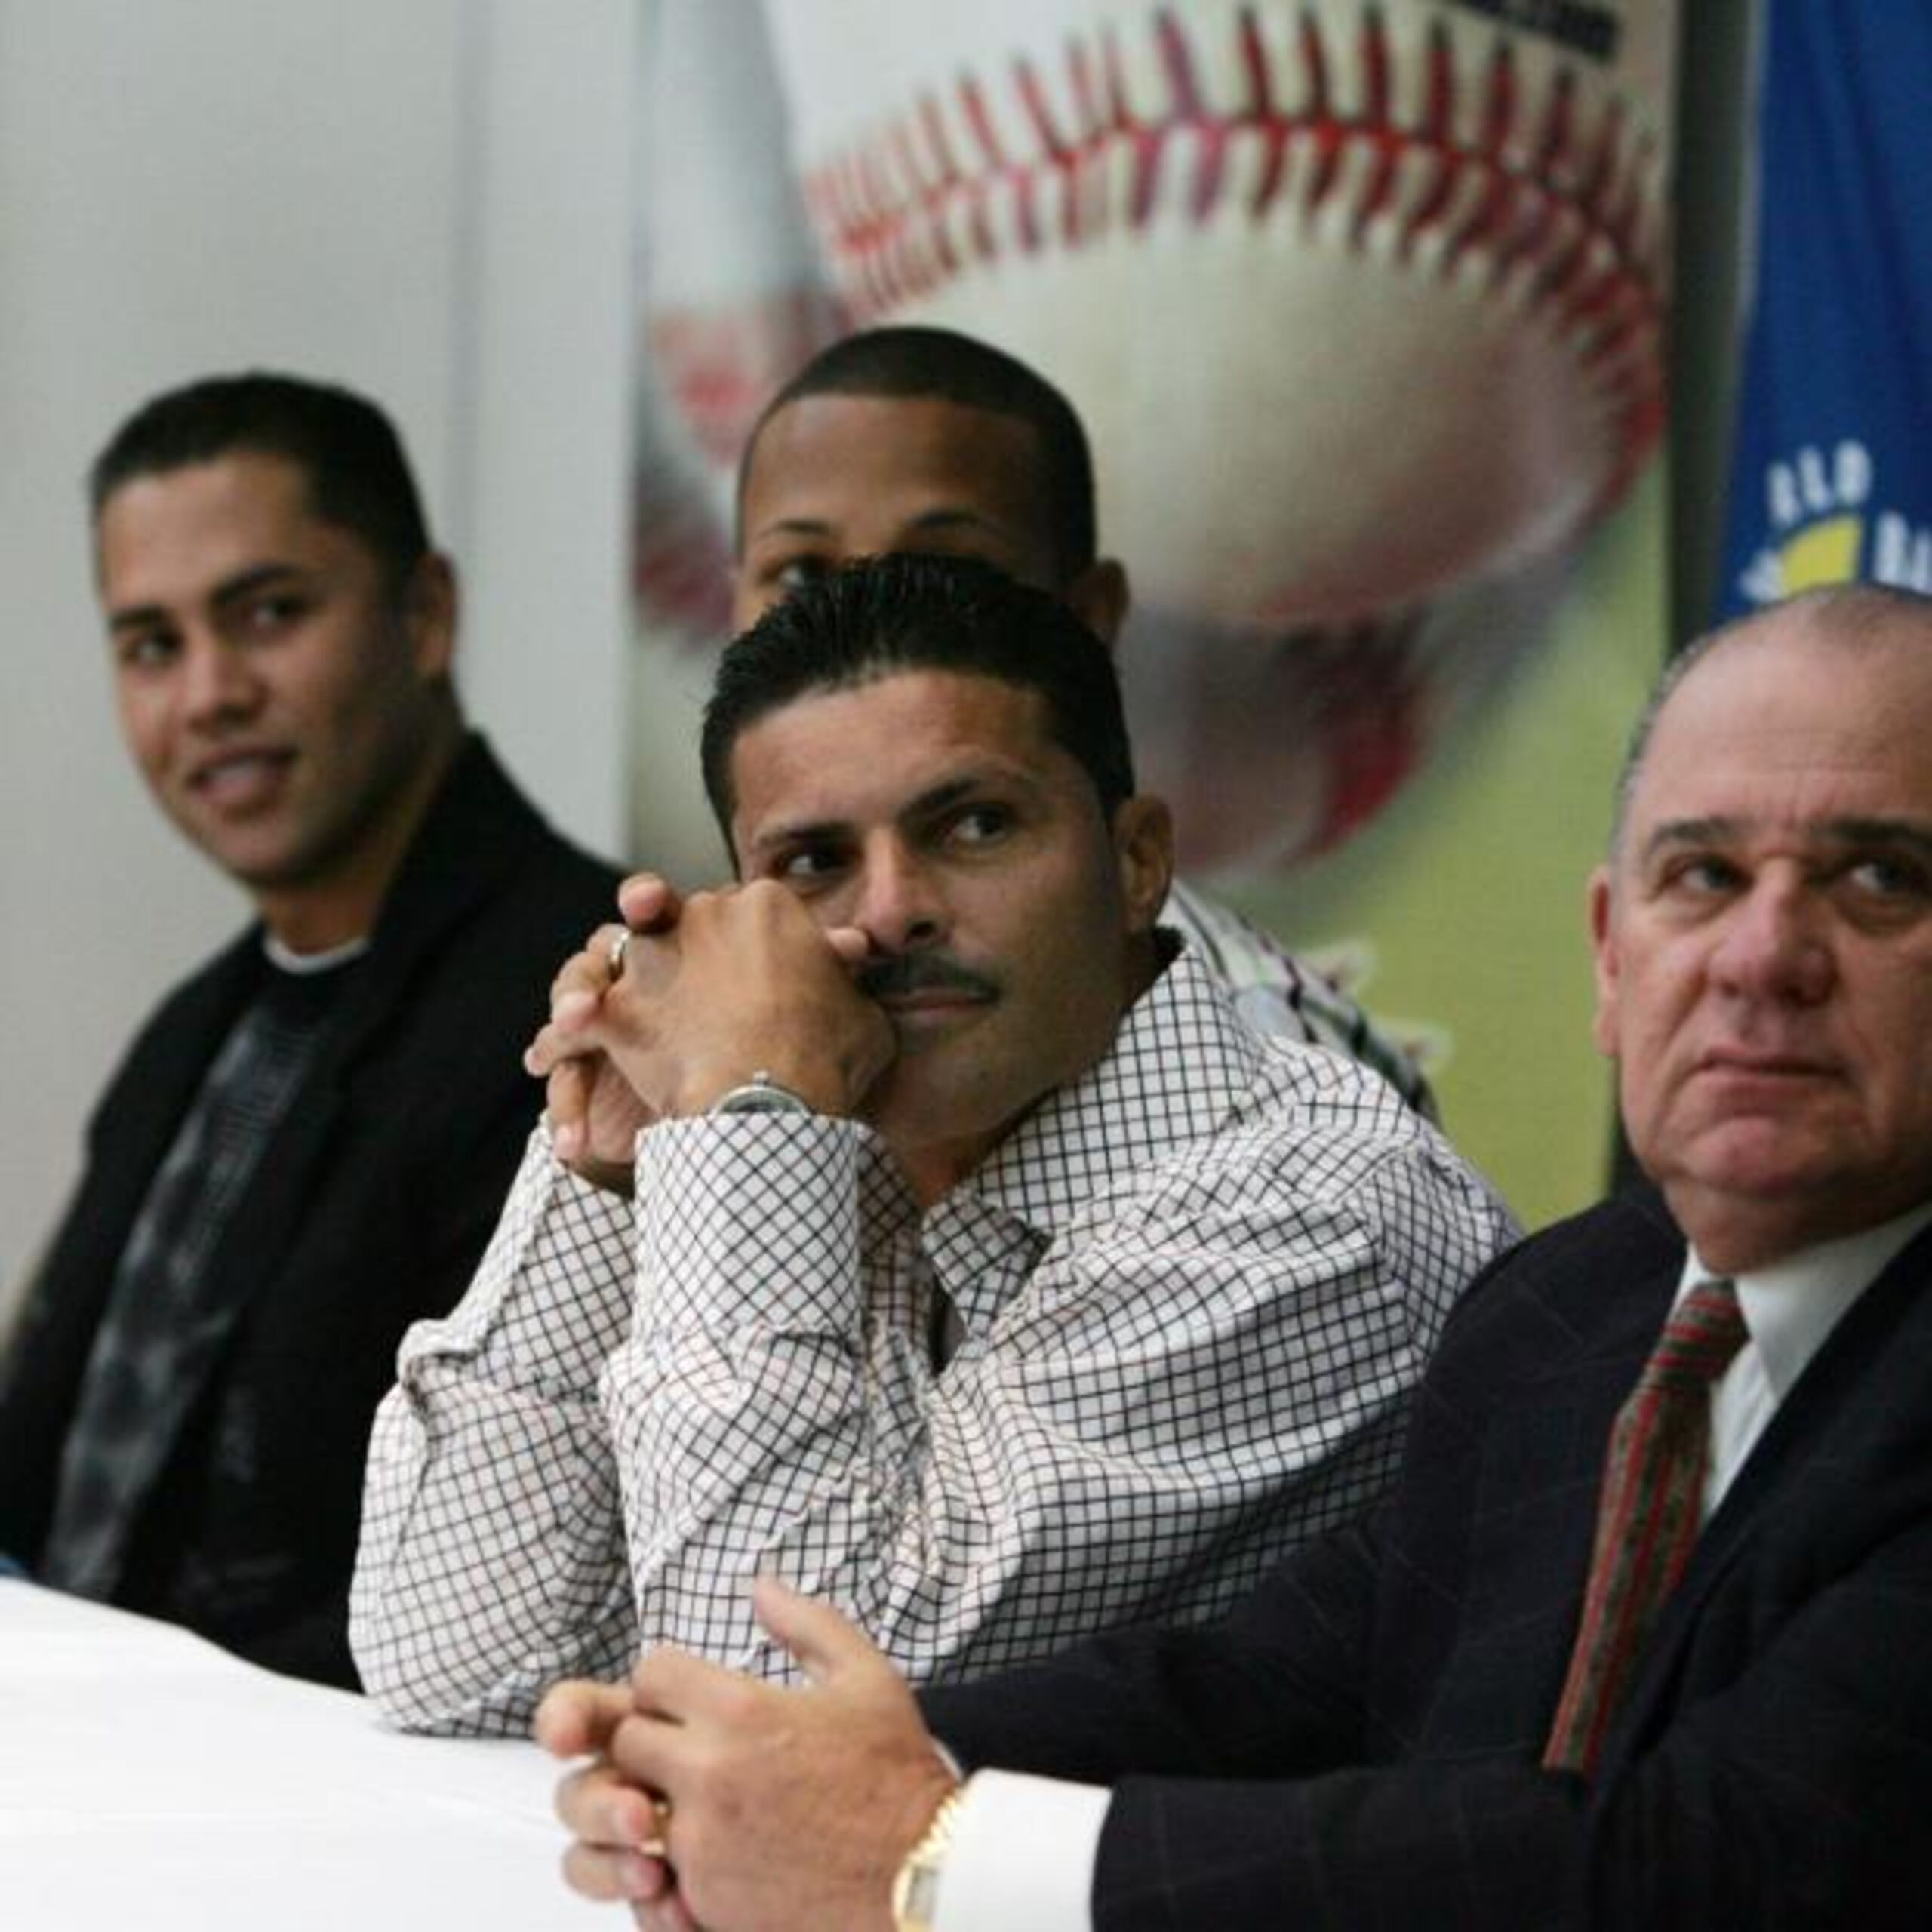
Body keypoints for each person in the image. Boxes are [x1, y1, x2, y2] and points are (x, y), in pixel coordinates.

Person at [544, 582, 1932, 1930]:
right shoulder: (1580, 1311)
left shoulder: (1319, 1206)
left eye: (1880, 879)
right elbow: (1263, 1686)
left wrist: (929, 1847)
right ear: (1613, 959)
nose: (1761, 956)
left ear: (1139, 859)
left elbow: (1691, 1872)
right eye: (1703, 876)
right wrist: (778, 1769)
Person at [351, 554, 1513, 1734]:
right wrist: (617, 1177)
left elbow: (775, 1709)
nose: (890, 909)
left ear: (1137, 863)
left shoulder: (1307, 1209)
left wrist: (743, 1121)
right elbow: (458, 1662)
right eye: (815, 864)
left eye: (974, 826)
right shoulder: (838, 1145)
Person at [0, 373, 620, 1687]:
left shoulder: (585, 1006)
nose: (211, 693)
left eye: (269, 613)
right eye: (152, 644)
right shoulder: (191, 1031)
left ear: (426, 613)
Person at [731, 324, 1434, 1112]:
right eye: (799, 574)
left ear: (1089, 615)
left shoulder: (1273, 1064)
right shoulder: (679, 1006)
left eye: (946, 571)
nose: (865, 619)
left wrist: (744, 1121)